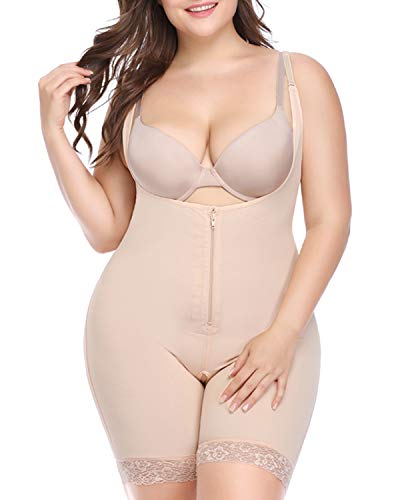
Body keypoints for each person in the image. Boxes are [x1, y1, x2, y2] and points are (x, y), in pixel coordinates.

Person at [38, 1, 351, 499]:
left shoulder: (298, 78)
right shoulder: (136, 90)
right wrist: (54, 134)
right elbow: (106, 230)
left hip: (266, 337)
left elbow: (330, 220)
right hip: (139, 338)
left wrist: (284, 334)